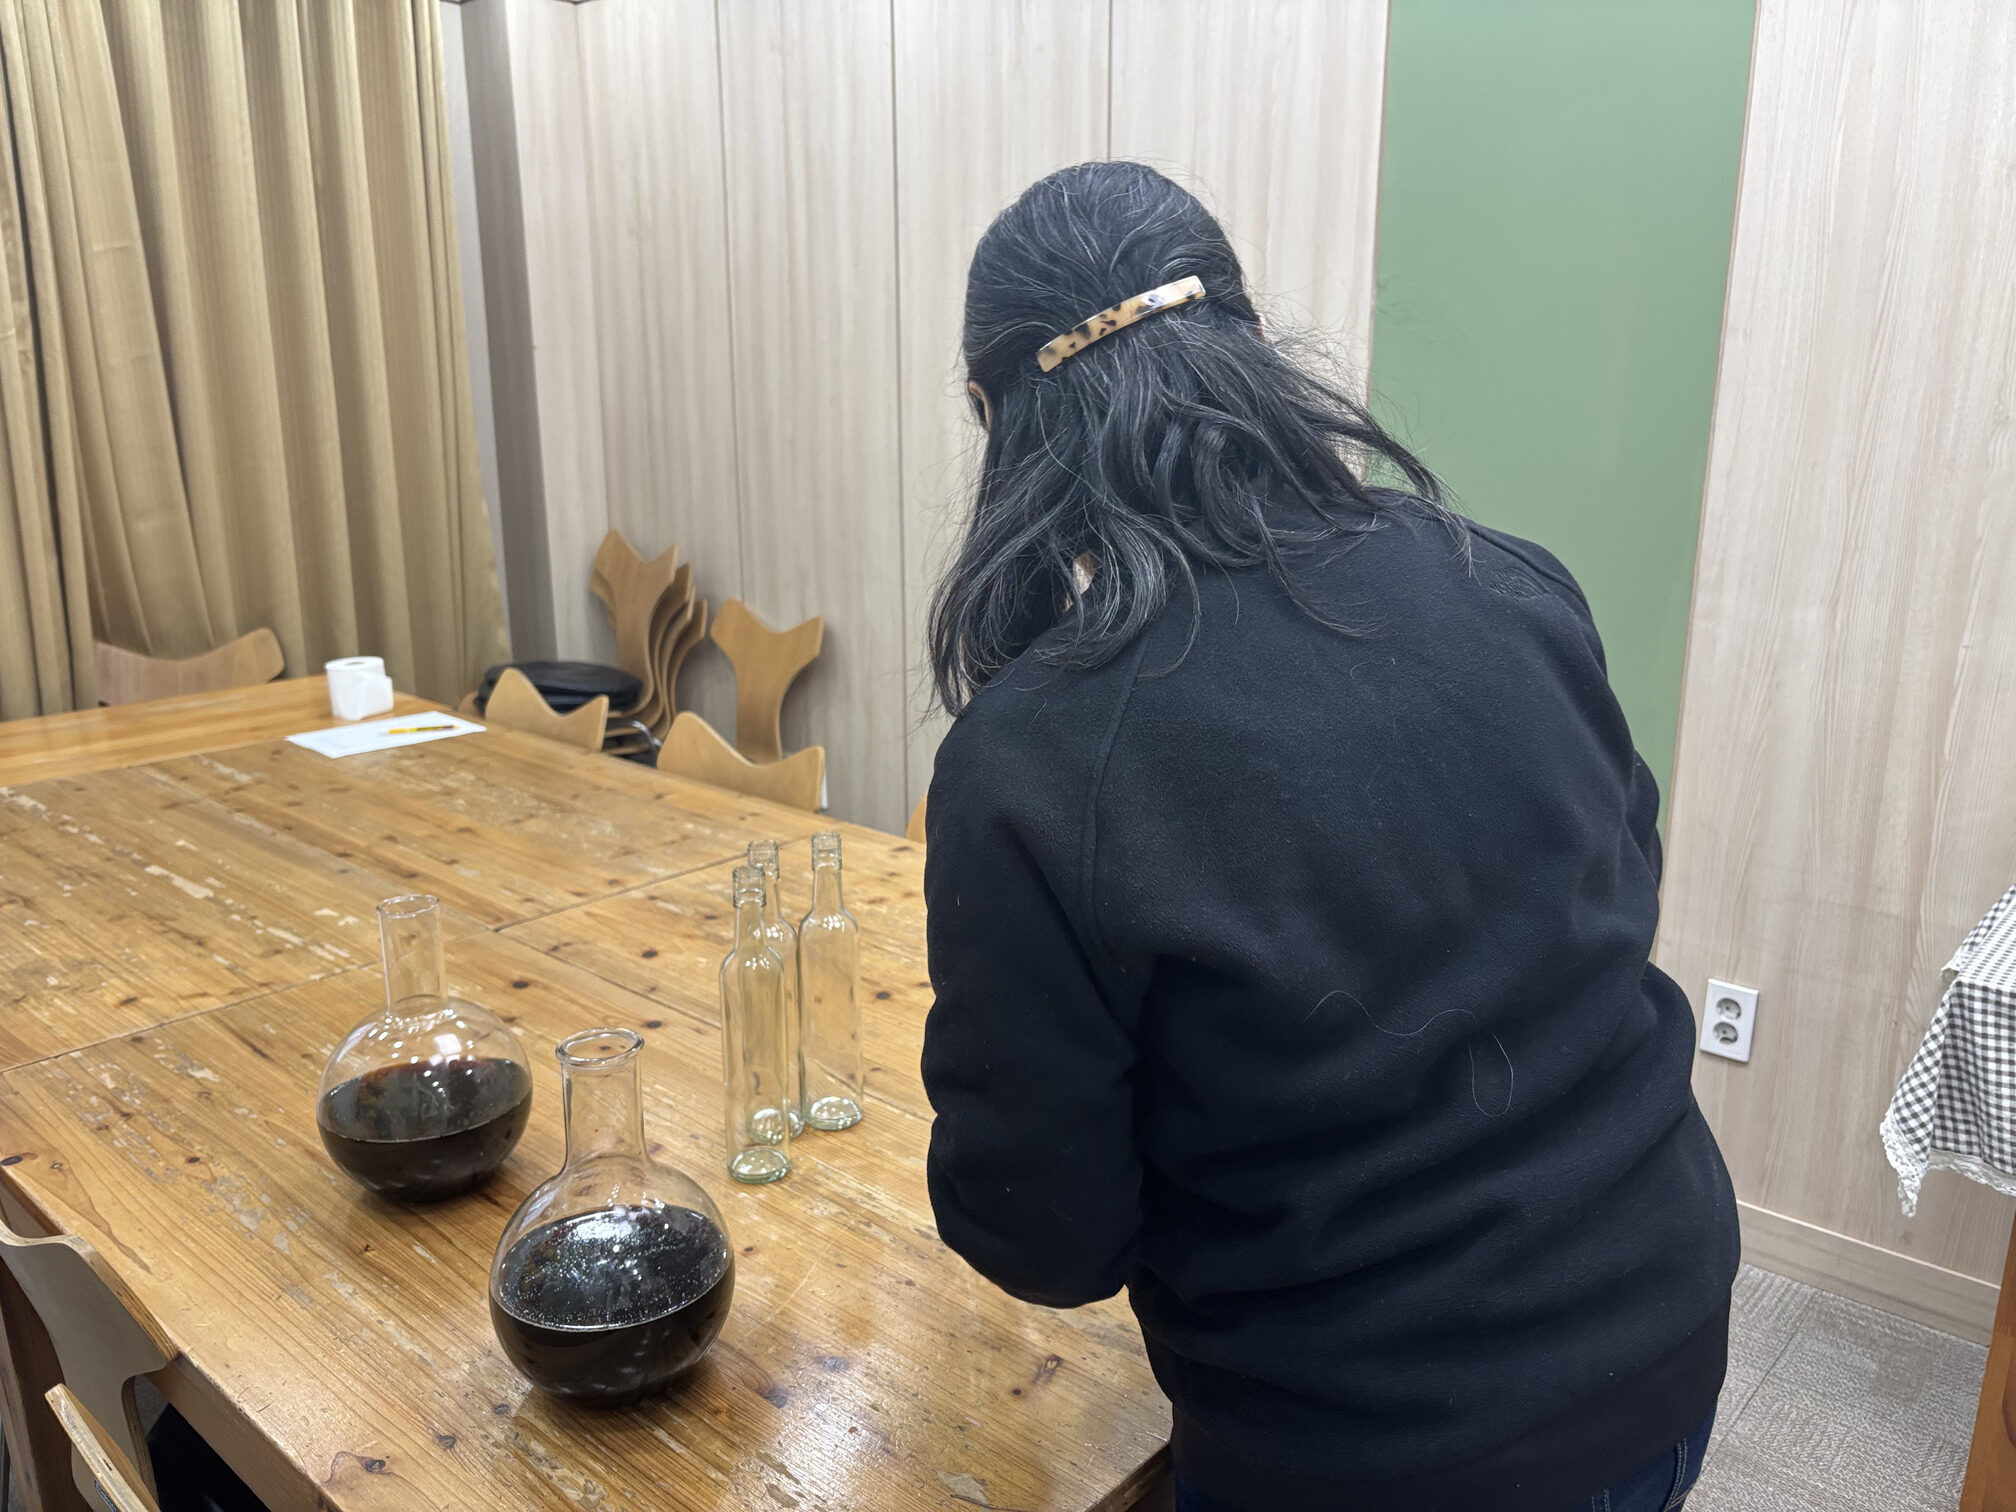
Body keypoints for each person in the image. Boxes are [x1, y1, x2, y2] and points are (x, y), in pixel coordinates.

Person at [918, 160, 1739, 1512]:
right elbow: (1619, 887)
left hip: (1375, 1452)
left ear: (995, 417)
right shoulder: (1511, 583)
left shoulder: (1031, 765)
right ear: (1246, 343)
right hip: (1665, 1337)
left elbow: (1045, 1238)